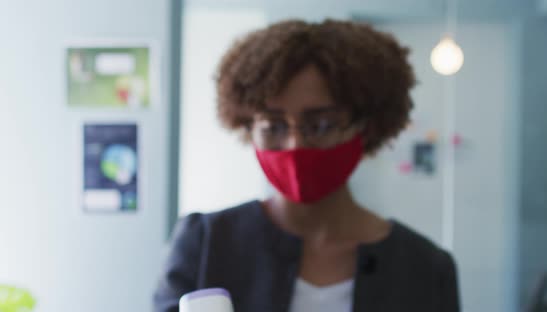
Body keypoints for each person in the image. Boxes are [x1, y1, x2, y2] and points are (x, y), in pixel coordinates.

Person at [154, 19, 460, 312]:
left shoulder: (426, 268)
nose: (295, 144)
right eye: (274, 126)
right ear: (248, 127)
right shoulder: (205, 243)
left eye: (321, 124)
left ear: (365, 127)